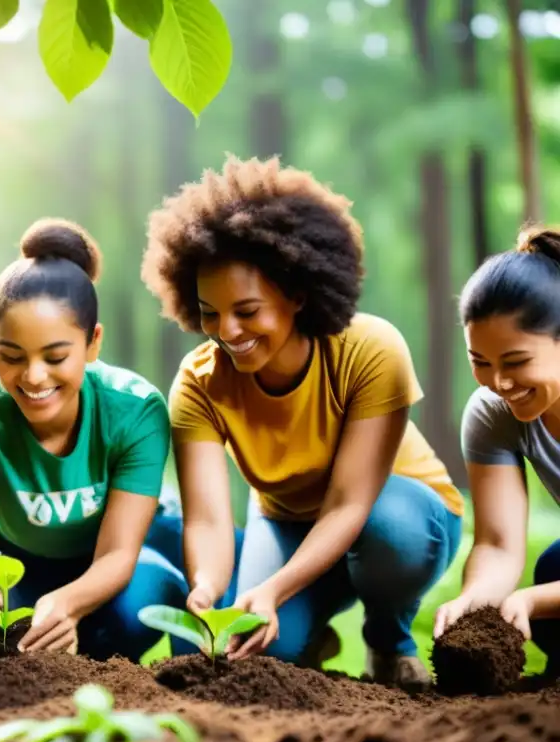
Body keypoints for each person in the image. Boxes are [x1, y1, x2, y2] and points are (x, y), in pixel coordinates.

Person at [139, 155, 465, 691]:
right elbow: (207, 520)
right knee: (267, 653)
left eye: (247, 310)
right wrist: (207, 585)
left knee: (391, 535)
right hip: (288, 521)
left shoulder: (371, 349)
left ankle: (389, 641)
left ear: (295, 294)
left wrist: (274, 590)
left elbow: (349, 506)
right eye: (210, 312)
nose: (227, 330)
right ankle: (310, 631)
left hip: (397, 511)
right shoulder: (199, 383)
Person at [0, 218, 208, 662]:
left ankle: (178, 681)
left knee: (130, 614)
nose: (33, 376)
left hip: (132, 553)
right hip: (27, 565)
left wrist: (68, 604)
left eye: (56, 356)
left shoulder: (135, 410)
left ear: (92, 343)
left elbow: (119, 552)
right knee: (26, 640)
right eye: (11, 355)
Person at [434, 227, 560, 674]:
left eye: (516, 361)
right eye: (480, 362)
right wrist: (473, 603)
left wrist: (531, 599)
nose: (500, 383)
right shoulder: (493, 413)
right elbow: (499, 542)